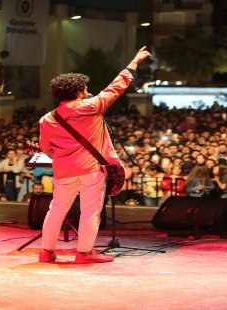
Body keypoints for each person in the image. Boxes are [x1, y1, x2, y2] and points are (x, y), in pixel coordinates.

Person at [37, 46, 151, 264]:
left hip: (63, 172)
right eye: (85, 88)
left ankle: (46, 252)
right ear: (79, 91)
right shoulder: (93, 106)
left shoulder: (47, 119)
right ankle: (84, 253)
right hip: (91, 171)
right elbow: (117, 85)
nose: (88, 90)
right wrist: (135, 61)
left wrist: (64, 156)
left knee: (56, 211)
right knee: (90, 212)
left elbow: (46, 149)